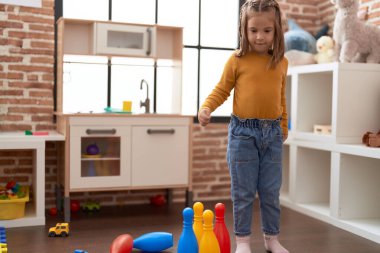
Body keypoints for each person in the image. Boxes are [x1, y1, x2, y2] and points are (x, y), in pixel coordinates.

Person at [198, 0, 289, 253]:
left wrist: (283, 125)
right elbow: (222, 89)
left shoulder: (281, 62)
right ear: (244, 30)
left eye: (267, 31)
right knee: (243, 192)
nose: (260, 37)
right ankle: (244, 242)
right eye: (253, 30)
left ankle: (271, 239)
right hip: (243, 135)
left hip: (272, 135)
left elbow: (281, 97)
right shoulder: (237, 60)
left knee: (270, 192)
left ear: (276, 31)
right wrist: (207, 108)